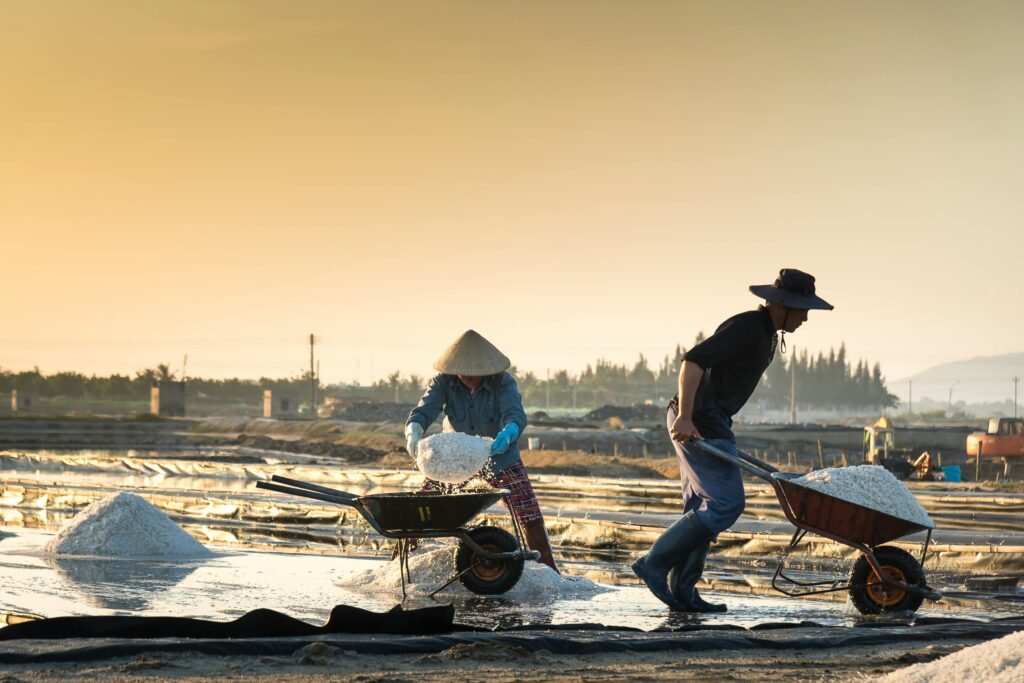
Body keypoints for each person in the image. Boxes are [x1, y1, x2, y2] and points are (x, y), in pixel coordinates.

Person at [632, 269, 833, 611]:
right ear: (780, 305)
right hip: (699, 420)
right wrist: (685, 416)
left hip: (709, 418)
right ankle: (654, 562)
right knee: (727, 503)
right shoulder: (747, 327)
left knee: (702, 507)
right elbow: (692, 361)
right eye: (801, 309)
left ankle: (683, 591)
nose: (805, 317)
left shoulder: (767, 333)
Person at [404, 330, 558, 572]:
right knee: (423, 509)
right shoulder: (443, 381)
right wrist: (413, 431)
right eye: (464, 372)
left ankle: (549, 571)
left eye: (476, 372)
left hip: (498, 455)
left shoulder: (503, 382)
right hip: (456, 458)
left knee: (528, 511)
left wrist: (508, 434)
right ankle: (401, 564)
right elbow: (423, 412)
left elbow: (514, 415)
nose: (469, 377)